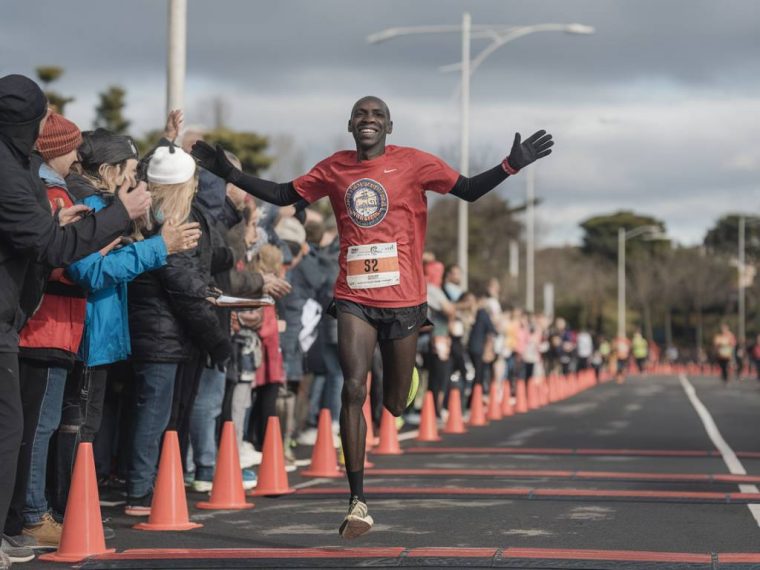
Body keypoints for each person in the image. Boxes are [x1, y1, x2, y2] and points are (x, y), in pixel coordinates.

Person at [191, 95, 553, 538]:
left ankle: (406, 378)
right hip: (353, 297)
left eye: (377, 115)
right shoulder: (334, 168)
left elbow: (469, 190)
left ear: (389, 126)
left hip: (403, 300)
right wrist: (230, 174)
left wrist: (510, 165)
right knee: (352, 388)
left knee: (395, 404)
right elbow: (285, 193)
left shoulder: (416, 163)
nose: (368, 120)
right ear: (350, 124)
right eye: (361, 114)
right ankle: (357, 501)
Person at [0, 74, 151, 568]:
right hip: (41, 332)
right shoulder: (27, 179)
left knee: (31, 428)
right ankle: (29, 517)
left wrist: (63, 227)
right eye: (44, 119)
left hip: (45, 328)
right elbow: (68, 259)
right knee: (28, 431)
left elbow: (45, 242)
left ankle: (23, 520)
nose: (67, 147)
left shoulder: (38, 183)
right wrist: (134, 230)